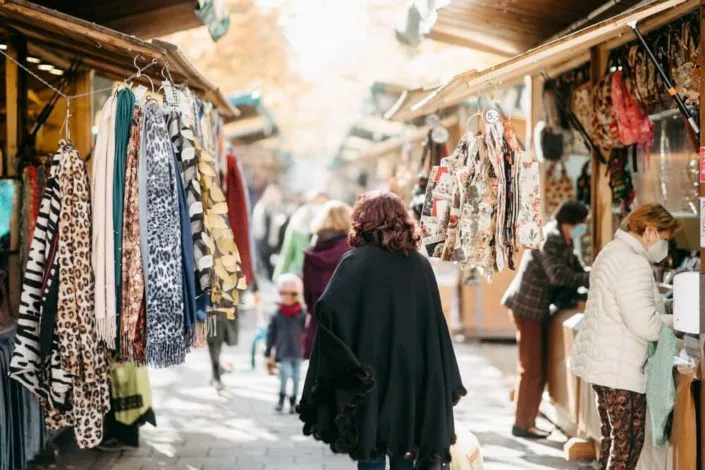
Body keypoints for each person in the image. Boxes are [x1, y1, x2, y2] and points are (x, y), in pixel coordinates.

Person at [298, 191, 465, 470]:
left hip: (368, 372)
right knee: (405, 448)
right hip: (412, 374)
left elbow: (327, 310)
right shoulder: (420, 265)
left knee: (370, 448)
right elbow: (434, 323)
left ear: (363, 222)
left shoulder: (354, 263)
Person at [570, 204, 680, 469]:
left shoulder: (610, 252)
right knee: (627, 448)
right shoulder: (634, 262)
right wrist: (674, 322)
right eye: (664, 239)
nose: (664, 248)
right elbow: (644, 324)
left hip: (602, 365)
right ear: (651, 232)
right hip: (621, 368)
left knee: (611, 443)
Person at [501, 200, 590, 439]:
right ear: (570, 222)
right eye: (582, 223)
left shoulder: (564, 238)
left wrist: (589, 274)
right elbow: (557, 274)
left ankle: (526, 419)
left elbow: (574, 267)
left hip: (534, 308)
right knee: (532, 369)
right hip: (527, 308)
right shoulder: (552, 237)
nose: (584, 227)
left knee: (534, 367)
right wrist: (589, 279)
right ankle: (522, 424)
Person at [302, 200, 353, 359]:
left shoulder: (312, 253)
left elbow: (307, 290)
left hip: (320, 313)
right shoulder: (353, 250)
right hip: (346, 316)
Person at [265, 273, 306, 413]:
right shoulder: (276, 314)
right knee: (284, 377)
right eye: (284, 293)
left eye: (292, 294)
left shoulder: (302, 313)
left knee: (296, 379)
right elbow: (271, 334)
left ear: (298, 294)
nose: (288, 297)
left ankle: (294, 403)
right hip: (283, 353)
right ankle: (281, 400)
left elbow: (307, 333)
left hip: (298, 353)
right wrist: (267, 351)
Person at [273, 189, 328, 280]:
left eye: (322, 203)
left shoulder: (329, 222)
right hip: (299, 271)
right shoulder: (298, 220)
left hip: (321, 272)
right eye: (317, 202)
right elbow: (287, 250)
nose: (319, 206)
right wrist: (279, 276)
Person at [252, 184, 283, 280]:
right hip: (261, 241)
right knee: (262, 264)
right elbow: (257, 227)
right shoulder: (261, 207)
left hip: (272, 242)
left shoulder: (277, 209)